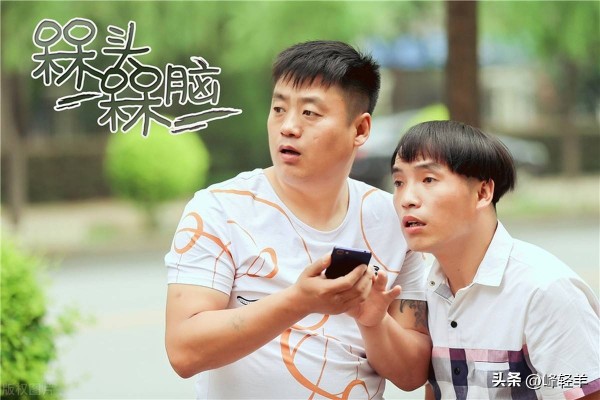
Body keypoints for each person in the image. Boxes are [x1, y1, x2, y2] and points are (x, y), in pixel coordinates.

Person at [164, 40, 431, 399]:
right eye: (278, 109)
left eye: (310, 113)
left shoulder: (395, 221)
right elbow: (184, 351)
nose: (288, 126)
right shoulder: (219, 210)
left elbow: (412, 374)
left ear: (360, 130)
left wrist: (374, 322)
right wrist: (299, 302)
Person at [390, 120, 600, 400]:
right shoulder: (428, 288)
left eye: (428, 179)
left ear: (482, 193)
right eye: (399, 182)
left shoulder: (545, 291)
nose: (406, 198)